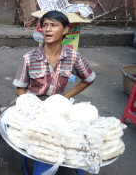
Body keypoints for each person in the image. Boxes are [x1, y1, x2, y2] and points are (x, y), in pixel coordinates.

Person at [13, 10, 95, 175]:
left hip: (59, 108)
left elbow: (89, 78)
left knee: (80, 136)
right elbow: (20, 88)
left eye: (53, 25)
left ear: (65, 30)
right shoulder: (29, 58)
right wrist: (30, 107)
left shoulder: (73, 57)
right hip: (34, 108)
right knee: (44, 144)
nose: (48, 30)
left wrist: (66, 98)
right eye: (45, 25)